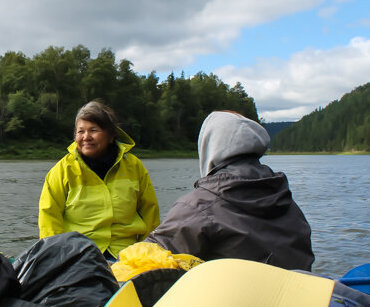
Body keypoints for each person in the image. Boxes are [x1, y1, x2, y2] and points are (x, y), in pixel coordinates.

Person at [145, 110, 314, 270]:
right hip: (292, 290)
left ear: (209, 148)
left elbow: (147, 262)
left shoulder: (198, 206)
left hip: (234, 293)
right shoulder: (288, 203)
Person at [38, 100, 160, 259]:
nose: (86, 137)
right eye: (80, 131)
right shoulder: (62, 170)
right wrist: (58, 258)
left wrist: (148, 252)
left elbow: (150, 214)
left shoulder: (134, 166)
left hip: (126, 254)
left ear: (111, 136)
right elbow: (49, 219)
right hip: (78, 255)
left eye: (93, 130)